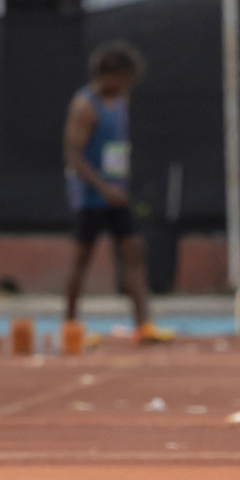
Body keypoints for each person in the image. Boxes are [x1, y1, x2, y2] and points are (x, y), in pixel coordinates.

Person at [63, 41, 172, 344]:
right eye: (125, 77)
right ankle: (70, 327)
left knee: (135, 250)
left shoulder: (121, 100)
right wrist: (103, 187)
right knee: (82, 260)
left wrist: (120, 184)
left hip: (117, 194)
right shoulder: (85, 106)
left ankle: (144, 324)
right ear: (109, 74)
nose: (129, 84)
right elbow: (73, 155)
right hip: (91, 196)